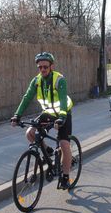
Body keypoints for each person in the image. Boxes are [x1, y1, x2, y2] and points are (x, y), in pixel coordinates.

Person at [11, 52, 74, 189]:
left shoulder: (59, 80)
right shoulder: (36, 81)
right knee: (30, 133)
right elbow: (27, 98)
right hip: (48, 113)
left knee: (64, 144)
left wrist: (62, 118)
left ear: (51, 66)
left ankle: (65, 176)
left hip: (63, 113)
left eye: (45, 67)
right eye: (40, 67)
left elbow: (63, 100)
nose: (42, 69)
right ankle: (49, 152)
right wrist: (17, 115)